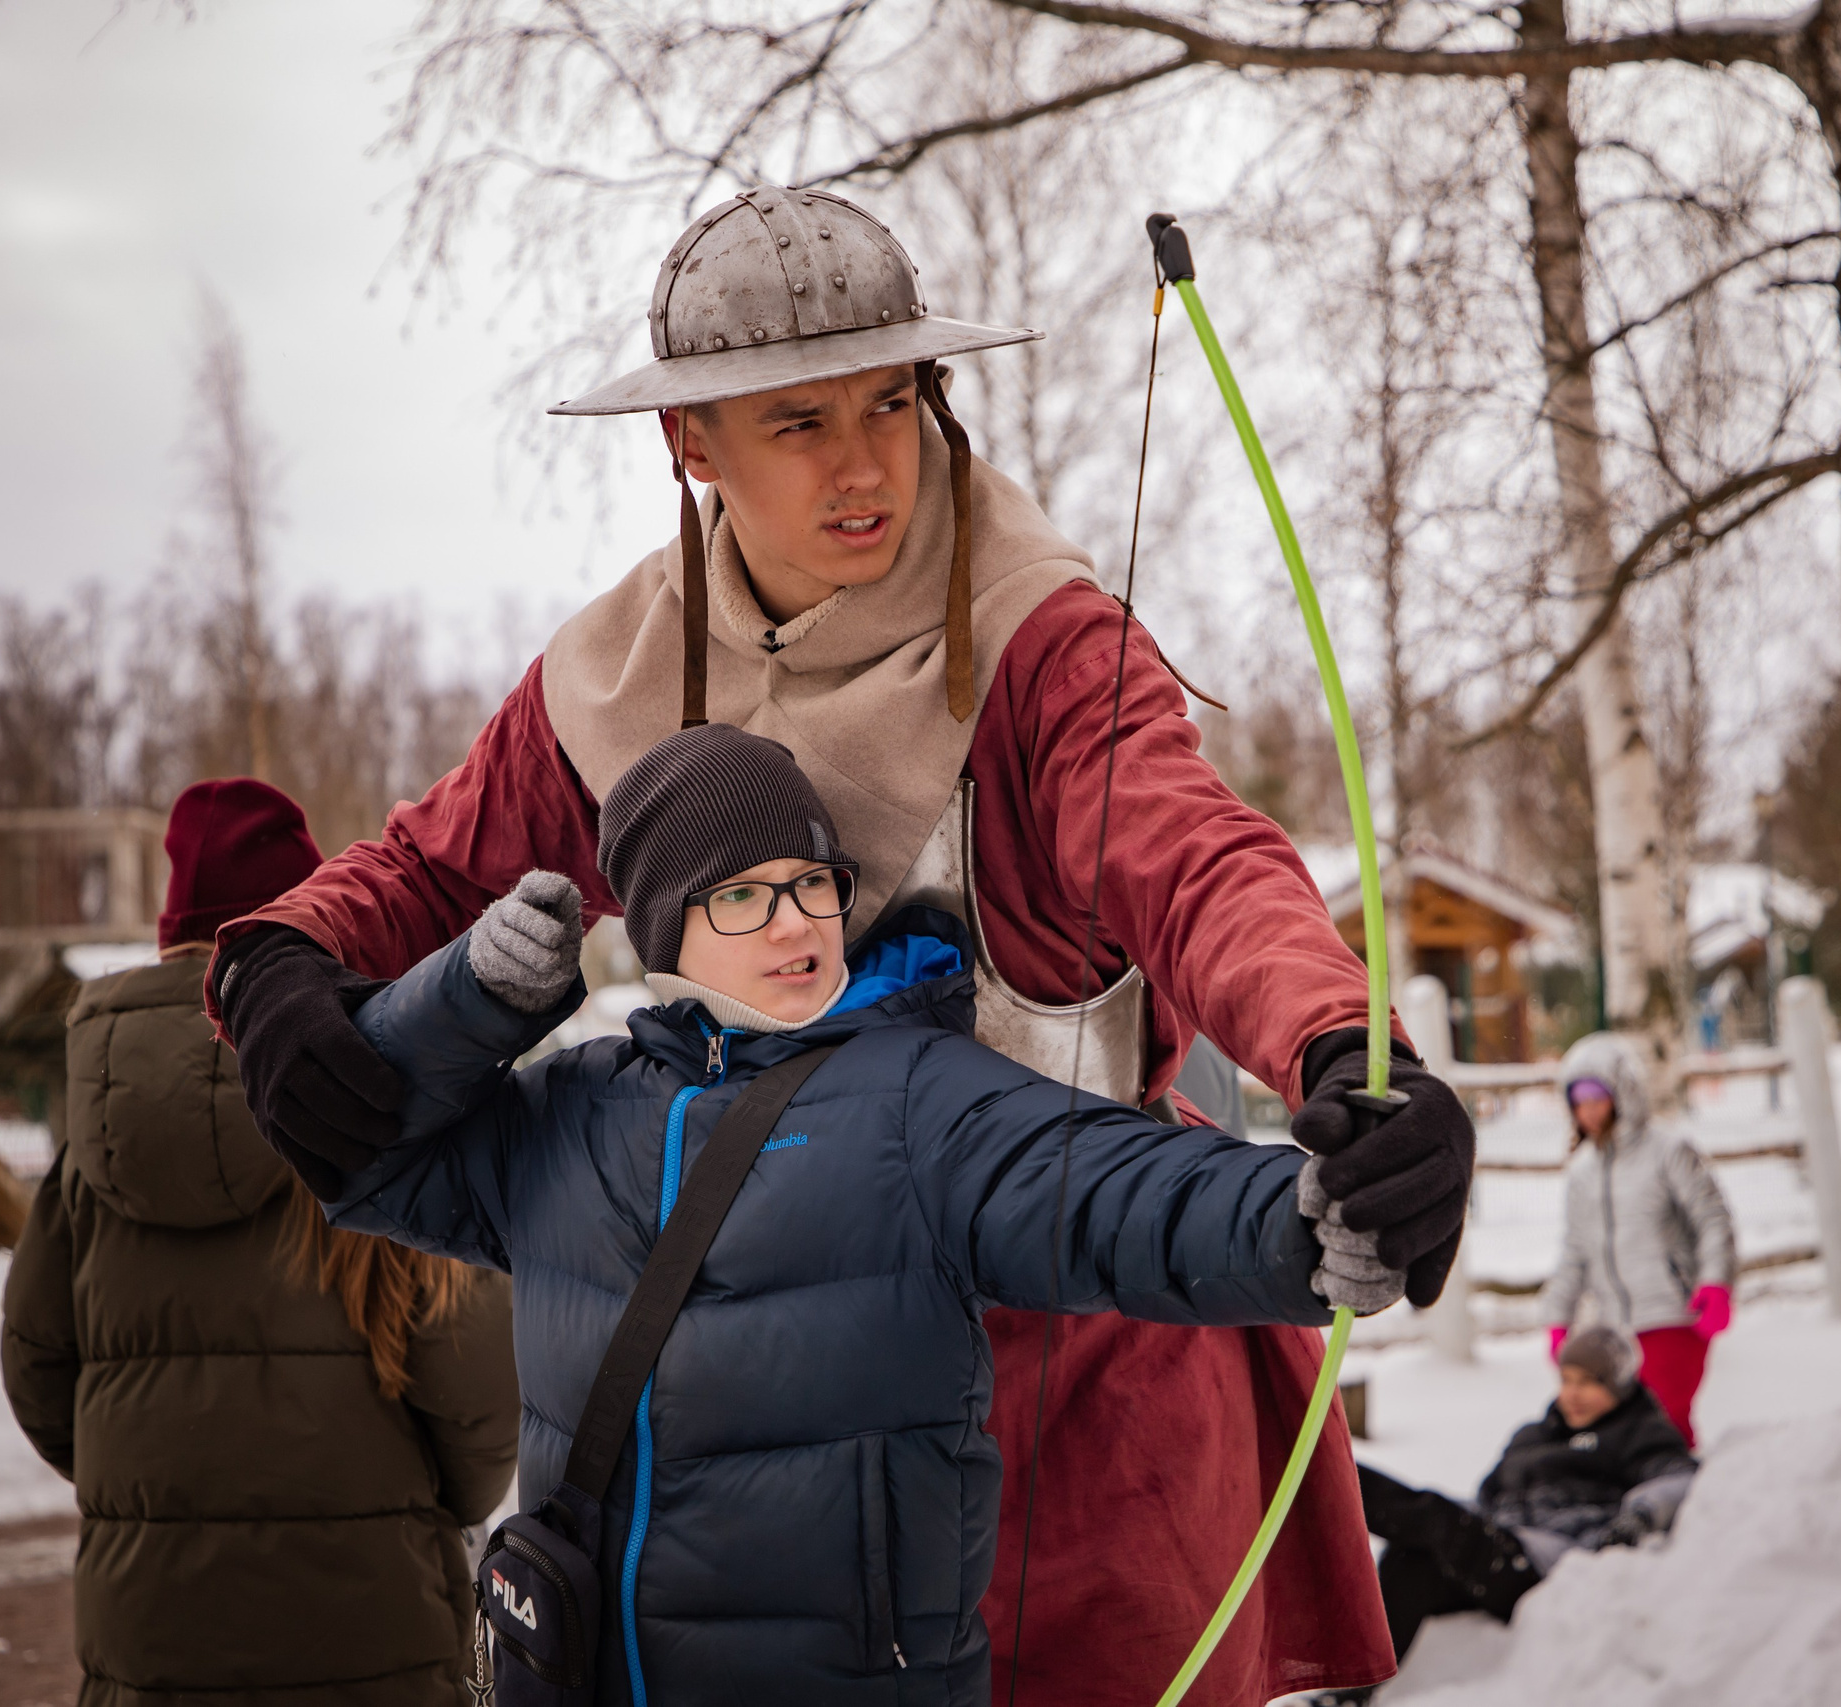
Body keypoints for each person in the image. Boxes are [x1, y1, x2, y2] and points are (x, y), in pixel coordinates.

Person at [204, 185, 1473, 1701]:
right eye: (799, 421)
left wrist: (1343, 1045)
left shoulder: (1043, 645)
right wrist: (280, 958)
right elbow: (417, 869)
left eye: (897, 397)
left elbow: (1197, 864)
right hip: (774, 1448)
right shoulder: (616, 673)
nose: (870, 461)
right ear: (693, 444)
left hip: (1076, 1387)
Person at [329, 725, 1405, 1703]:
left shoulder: (918, 1096)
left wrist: (1304, 1217)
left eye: (812, 883)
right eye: (741, 895)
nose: (794, 920)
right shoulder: (569, 1109)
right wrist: (468, 998)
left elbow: (1107, 1190)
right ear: (662, 922)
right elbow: (362, 1159)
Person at [0, 779, 520, 1707]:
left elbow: (39, 1377)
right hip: (370, 1633)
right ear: (303, 917)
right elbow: (478, 1399)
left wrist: (164, 1483)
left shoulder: (90, 1140)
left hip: (151, 1637)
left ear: (170, 933)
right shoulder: (367, 1098)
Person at [1326, 1325, 1697, 1693]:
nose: (1573, 1394)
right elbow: (1486, 1501)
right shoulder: (1532, 1437)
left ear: (1618, 1384)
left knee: (1432, 1518)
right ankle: (1350, 1694)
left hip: (1549, 1565)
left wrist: (1640, 1515)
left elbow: (1677, 1478)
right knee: (1410, 1557)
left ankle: (1327, 1480)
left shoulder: (1639, 1432)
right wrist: (1453, 1514)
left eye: (1588, 1382)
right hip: (1502, 1544)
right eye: (1566, 1380)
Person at [1539, 1030, 1736, 1446]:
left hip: (1674, 1316)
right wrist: (1558, 1317)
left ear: (1623, 1094)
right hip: (1615, 1328)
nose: (1587, 1111)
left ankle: (1682, 1500)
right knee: (1622, 1434)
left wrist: (1716, 1283)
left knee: (1664, 1426)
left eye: (1597, 1097)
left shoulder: (1668, 1151)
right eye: (1578, 1102)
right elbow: (1574, 1252)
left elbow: (1712, 1219)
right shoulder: (1582, 1172)